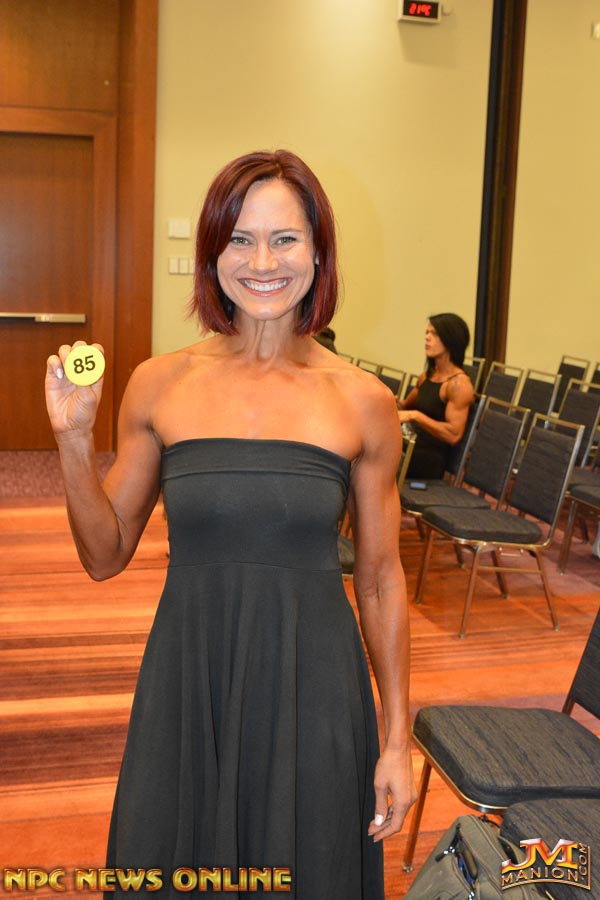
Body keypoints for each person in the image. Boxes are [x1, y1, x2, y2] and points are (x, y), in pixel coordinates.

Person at [45, 149, 415, 899]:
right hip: (191, 678)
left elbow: (380, 580)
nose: (263, 262)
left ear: (319, 251)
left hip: (312, 683)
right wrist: (74, 441)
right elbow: (104, 554)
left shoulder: (362, 401)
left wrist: (397, 739)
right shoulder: (160, 383)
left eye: (285, 239)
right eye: (240, 240)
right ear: (212, 254)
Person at [398, 313, 474, 480]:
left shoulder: (459, 385)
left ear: (451, 340)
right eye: (427, 332)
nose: (427, 338)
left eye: (434, 334)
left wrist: (416, 416)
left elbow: (453, 435)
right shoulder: (427, 376)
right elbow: (404, 406)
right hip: (410, 445)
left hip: (428, 458)